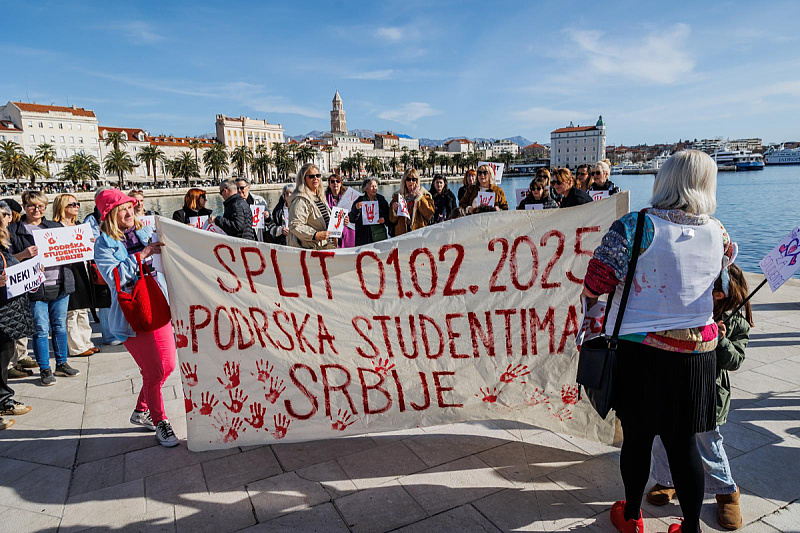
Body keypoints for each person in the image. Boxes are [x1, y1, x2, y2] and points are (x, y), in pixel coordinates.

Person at [582, 150, 731, 533]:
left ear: (664, 180)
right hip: (697, 358)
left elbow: (595, 281)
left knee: (637, 438)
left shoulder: (634, 227)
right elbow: (719, 283)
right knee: (684, 446)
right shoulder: (720, 233)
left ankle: (631, 516)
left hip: (640, 353)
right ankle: (692, 527)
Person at [647, 262, 751, 530]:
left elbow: (735, 360)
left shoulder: (736, 319)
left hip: (710, 391)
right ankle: (666, 479)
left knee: (708, 441)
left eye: (719, 292)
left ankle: (727, 490)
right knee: (663, 434)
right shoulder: (697, 305)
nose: (714, 295)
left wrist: (721, 340)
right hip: (679, 379)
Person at [93, 189, 179, 448]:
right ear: (110, 215)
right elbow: (112, 277)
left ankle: (141, 409)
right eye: (122, 209)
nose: (130, 212)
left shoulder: (147, 231)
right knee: (154, 371)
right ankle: (160, 420)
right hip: (131, 314)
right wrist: (141, 256)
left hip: (158, 305)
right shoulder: (103, 243)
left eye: (131, 206)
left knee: (169, 366)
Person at [9, 191, 78, 386]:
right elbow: (8, 259)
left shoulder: (55, 226)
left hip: (59, 283)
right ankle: (45, 368)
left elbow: (70, 251)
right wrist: (23, 254)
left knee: (59, 326)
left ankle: (62, 363)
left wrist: (83, 247)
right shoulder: (15, 230)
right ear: (24, 206)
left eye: (41, 205)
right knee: (40, 329)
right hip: (34, 288)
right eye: (32, 205)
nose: (37, 209)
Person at [0, 200, 35, 429]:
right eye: (3, 214)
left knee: (4, 356)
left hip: (8, 312)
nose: (7, 217)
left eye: (6, 213)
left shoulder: (4, 245)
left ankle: (4, 399)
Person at [52, 194, 98, 357]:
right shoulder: (55, 227)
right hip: (66, 271)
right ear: (62, 207)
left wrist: (91, 243)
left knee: (83, 308)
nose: (77, 207)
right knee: (72, 310)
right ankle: (76, 346)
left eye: (77, 204)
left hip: (82, 268)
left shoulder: (80, 226)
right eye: (72, 204)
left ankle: (86, 341)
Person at [84, 187, 117, 347]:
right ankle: (109, 335)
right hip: (100, 267)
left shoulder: (115, 215)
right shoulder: (90, 220)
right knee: (105, 303)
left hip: (117, 262)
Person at [287, 164, 336, 250]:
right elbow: (295, 225)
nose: (316, 178)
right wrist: (314, 235)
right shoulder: (300, 200)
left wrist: (339, 221)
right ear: (304, 179)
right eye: (311, 176)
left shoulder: (320, 197)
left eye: (318, 175)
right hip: (311, 248)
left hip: (325, 245)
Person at [389, 168, 435, 236]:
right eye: (408, 179)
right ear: (404, 181)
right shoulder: (397, 196)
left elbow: (429, 213)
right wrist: (394, 210)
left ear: (417, 181)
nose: (411, 182)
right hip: (402, 233)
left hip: (419, 232)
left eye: (414, 179)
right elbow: (392, 219)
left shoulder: (425, 194)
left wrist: (420, 197)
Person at [350, 177, 389, 245]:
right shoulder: (359, 200)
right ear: (366, 189)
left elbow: (388, 214)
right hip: (364, 238)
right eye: (371, 186)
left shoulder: (381, 199)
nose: (374, 188)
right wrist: (356, 209)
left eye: (375, 186)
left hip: (380, 236)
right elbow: (352, 219)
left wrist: (384, 219)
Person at [325, 173, 355, 248]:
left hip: (348, 229)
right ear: (329, 184)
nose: (335, 183)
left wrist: (349, 218)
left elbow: (355, 213)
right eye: (332, 181)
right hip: (331, 231)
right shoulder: (323, 198)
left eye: (337, 181)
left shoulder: (348, 197)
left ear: (341, 183)